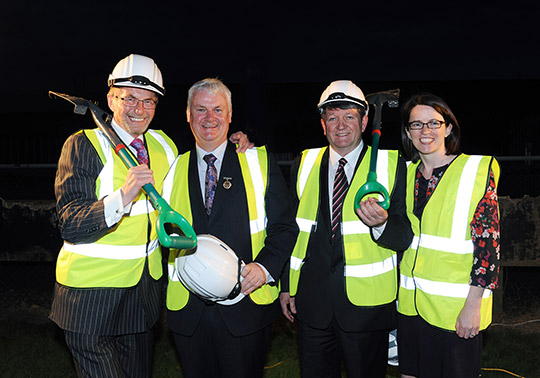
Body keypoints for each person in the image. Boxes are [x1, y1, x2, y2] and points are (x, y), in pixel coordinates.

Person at [49, 54, 251, 378]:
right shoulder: (83, 145)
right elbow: (70, 223)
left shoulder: (163, 146)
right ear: (112, 98)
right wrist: (122, 197)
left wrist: (235, 147)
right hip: (90, 297)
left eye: (149, 102)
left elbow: (197, 170)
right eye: (130, 99)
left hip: (142, 298)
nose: (139, 110)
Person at [163, 78, 298, 378]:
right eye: (201, 109)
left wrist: (265, 268)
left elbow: (285, 227)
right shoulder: (172, 167)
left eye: (217, 110)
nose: (209, 118)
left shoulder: (259, 161)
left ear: (230, 114)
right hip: (189, 312)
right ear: (187, 114)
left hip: (245, 310)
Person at [279, 80, 413, 378]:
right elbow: (293, 230)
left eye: (349, 116)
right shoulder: (304, 162)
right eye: (332, 117)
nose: (341, 125)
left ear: (365, 121)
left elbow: (405, 235)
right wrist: (287, 284)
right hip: (312, 304)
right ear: (322, 123)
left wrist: (382, 224)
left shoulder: (393, 165)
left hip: (367, 308)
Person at [397, 93, 500, 378]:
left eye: (434, 123)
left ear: (449, 128)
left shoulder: (475, 170)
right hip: (411, 306)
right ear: (408, 132)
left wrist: (473, 306)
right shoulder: (404, 175)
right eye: (416, 125)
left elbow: (488, 245)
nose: (425, 131)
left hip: (455, 309)